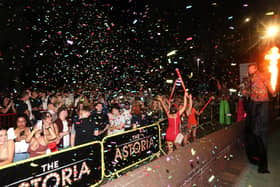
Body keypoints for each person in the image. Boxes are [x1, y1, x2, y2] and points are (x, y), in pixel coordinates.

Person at [244, 63, 275, 174]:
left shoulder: (261, 75)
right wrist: (246, 92)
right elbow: (249, 90)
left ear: (255, 68)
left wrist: (273, 92)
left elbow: (267, 83)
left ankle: (262, 165)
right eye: (249, 69)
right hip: (254, 103)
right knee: (252, 131)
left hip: (261, 103)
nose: (250, 70)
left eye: (251, 68)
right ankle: (254, 157)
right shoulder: (250, 79)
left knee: (260, 132)